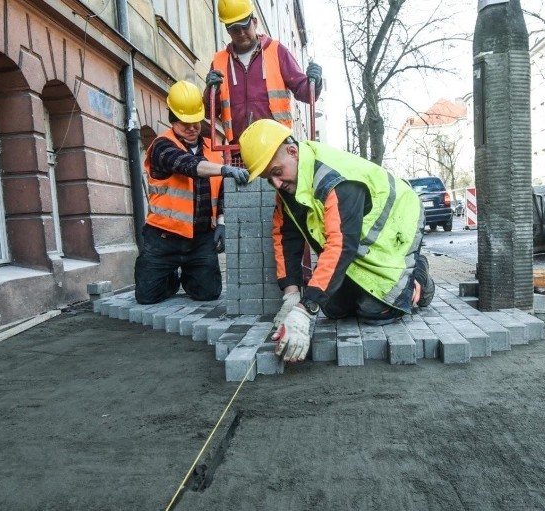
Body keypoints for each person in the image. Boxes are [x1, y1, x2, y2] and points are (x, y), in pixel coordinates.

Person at [239, 119, 435, 362]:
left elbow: (340, 245)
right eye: (269, 179)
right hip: (356, 238)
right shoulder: (290, 186)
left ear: (293, 151)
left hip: (398, 221)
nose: (277, 184)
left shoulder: (334, 179)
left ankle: (418, 277)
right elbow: (285, 237)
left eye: (277, 173)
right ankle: (365, 292)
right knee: (332, 308)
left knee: (374, 311)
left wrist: (306, 309)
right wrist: (292, 295)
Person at [134, 81, 250, 305]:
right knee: (148, 297)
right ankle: (170, 277)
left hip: (200, 239)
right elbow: (188, 165)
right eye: (183, 122)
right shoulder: (162, 146)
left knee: (208, 293)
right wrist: (225, 169)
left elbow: (222, 192)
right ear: (172, 119)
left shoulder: (212, 149)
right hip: (163, 237)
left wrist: (223, 222)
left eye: (195, 121)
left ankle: (191, 272)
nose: (191, 127)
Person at [204, 0, 322, 145]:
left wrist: (314, 82)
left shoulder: (277, 51)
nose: (241, 33)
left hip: (276, 146)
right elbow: (209, 112)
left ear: (254, 22)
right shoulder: (219, 61)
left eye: (244, 26)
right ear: (228, 30)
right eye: (235, 29)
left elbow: (305, 92)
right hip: (239, 149)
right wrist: (210, 90)